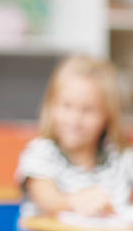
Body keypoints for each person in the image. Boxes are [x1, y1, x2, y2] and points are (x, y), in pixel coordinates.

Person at [16, 55, 133, 218]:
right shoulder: (41, 154)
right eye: (66, 106)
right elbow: (47, 200)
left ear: (108, 115)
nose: (75, 119)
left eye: (88, 110)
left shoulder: (120, 157)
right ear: (51, 107)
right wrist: (74, 201)